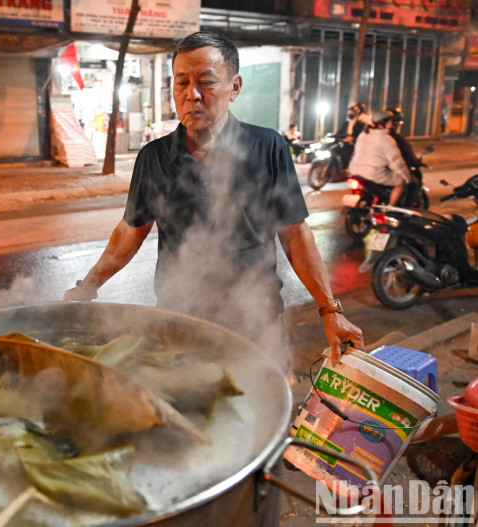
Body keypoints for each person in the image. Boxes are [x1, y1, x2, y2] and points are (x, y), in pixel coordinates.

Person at [63, 31, 363, 367]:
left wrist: (330, 309)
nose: (192, 95)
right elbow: (130, 232)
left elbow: (295, 234)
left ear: (235, 87)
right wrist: (87, 286)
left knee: (261, 413)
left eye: (207, 82)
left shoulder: (267, 147)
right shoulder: (154, 157)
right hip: (180, 323)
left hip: (256, 324)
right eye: (181, 83)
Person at [347, 110, 411, 207]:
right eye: (390, 121)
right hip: (373, 174)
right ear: (383, 122)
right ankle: (390, 208)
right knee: (400, 182)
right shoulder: (386, 139)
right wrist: (407, 177)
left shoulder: (363, 135)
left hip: (356, 171)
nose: (392, 124)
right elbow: (396, 162)